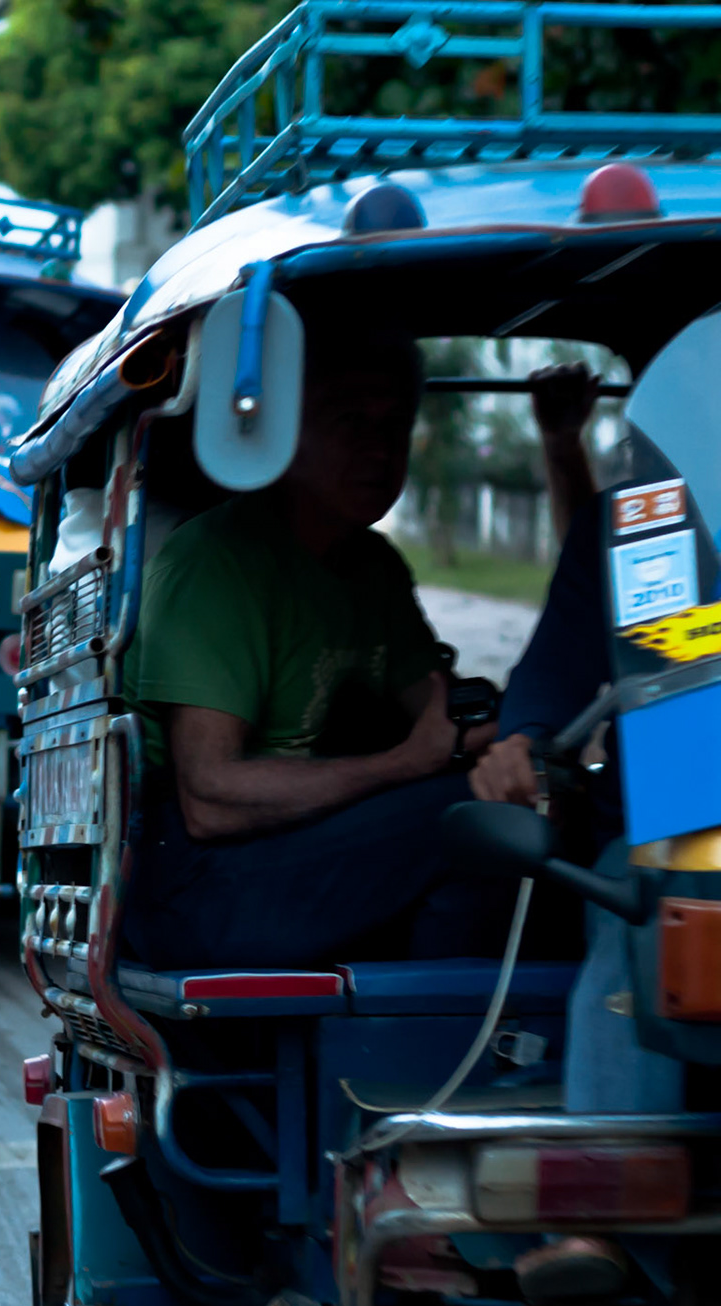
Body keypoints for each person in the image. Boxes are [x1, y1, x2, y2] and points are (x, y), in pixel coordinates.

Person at [121, 325, 503, 970]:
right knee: (464, 816)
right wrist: (404, 764)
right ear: (283, 432)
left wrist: (517, 734)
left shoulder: (373, 566)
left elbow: (438, 713)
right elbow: (210, 798)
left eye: (394, 426)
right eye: (349, 421)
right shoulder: (216, 564)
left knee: (516, 809)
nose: (378, 449)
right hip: (196, 884)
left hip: (305, 850)